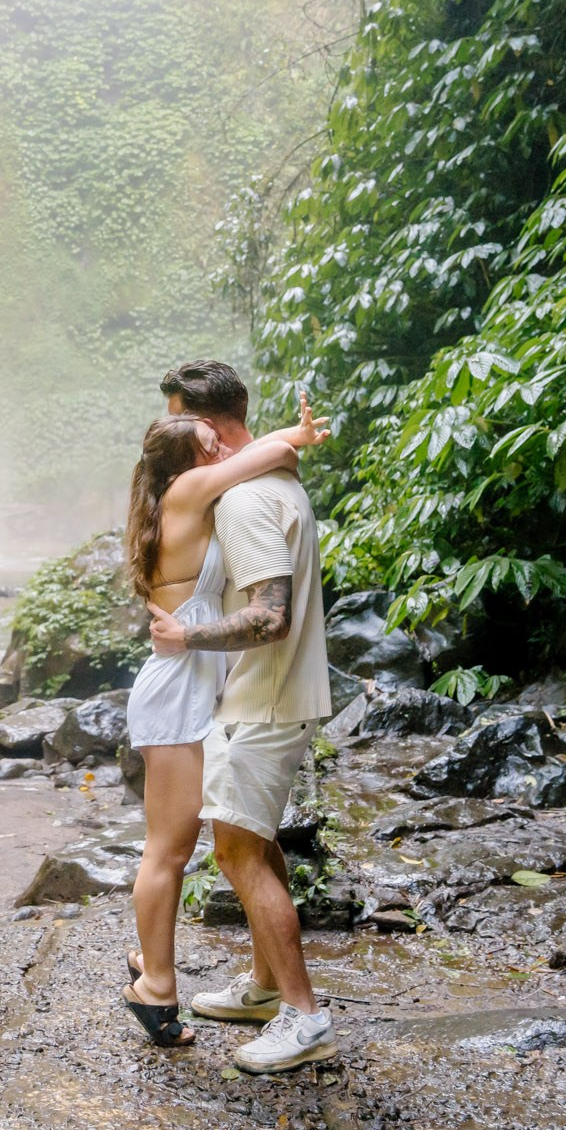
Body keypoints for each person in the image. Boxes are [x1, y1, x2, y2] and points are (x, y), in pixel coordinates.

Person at [147, 359, 337, 1074]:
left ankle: (303, 1014)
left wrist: (185, 636)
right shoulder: (273, 479)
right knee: (255, 841)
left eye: (178, 422)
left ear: (207, 429)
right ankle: (263, 986)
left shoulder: (245, 502)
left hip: (261, 699)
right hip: (279, 697)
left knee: (235, 852)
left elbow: (271, 616)